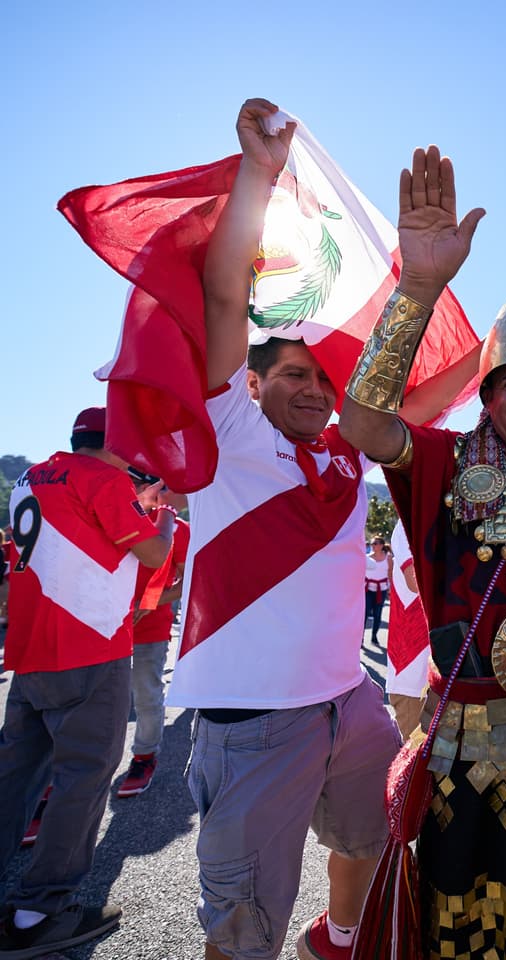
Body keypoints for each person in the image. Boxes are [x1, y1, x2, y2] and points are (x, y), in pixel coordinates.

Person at [339, 144, 506, 957]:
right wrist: (418, 290)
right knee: (466, 907)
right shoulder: (446, 462)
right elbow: (361, 425)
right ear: (488, 401)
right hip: (470, 740)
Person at [168, 98, 401, 960]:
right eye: (293, 374)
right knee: (240, 928)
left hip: (351, 701)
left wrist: (427, 284)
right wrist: (258, 176)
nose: (313, 389)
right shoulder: (230, 432)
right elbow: (226, 291)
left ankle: (338, 940)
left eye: (322, 379)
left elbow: (408, 393)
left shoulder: (346, 457)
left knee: (372, 844)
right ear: (255, 384)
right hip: (254, 723)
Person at [0, 405, 172, 958]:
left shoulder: (34, 475)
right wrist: (161, 518)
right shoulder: (104, 479)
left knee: (15, 777)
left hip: (30, 653)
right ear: (117, 442)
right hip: (88, 650)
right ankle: (38, 913)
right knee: (83, 779)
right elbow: (152, 550)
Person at [118, 472, 190, 799]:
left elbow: (187, 581)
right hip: (103, 630)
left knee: (146, 695)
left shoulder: (179, 530)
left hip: (149, 629)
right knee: (106, 700)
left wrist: (149, 603)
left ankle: (143, 757)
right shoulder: (115, 516)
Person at [384, 522, 431, 740]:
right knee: (418, 764)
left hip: (442, 670)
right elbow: (415, 580)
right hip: (414, 673)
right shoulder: (409, 522)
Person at [363, 536, 392, 646]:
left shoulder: (388, 558)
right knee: (364, 614)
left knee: (377, 614)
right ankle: (360, 639)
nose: (373, 546)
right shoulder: (367, 558)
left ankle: (374, 636)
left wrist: (390, 589)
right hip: (368, 589)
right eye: (372, 544)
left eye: (375, 544)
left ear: (381, 545)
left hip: (382, 590)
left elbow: (390, 574)